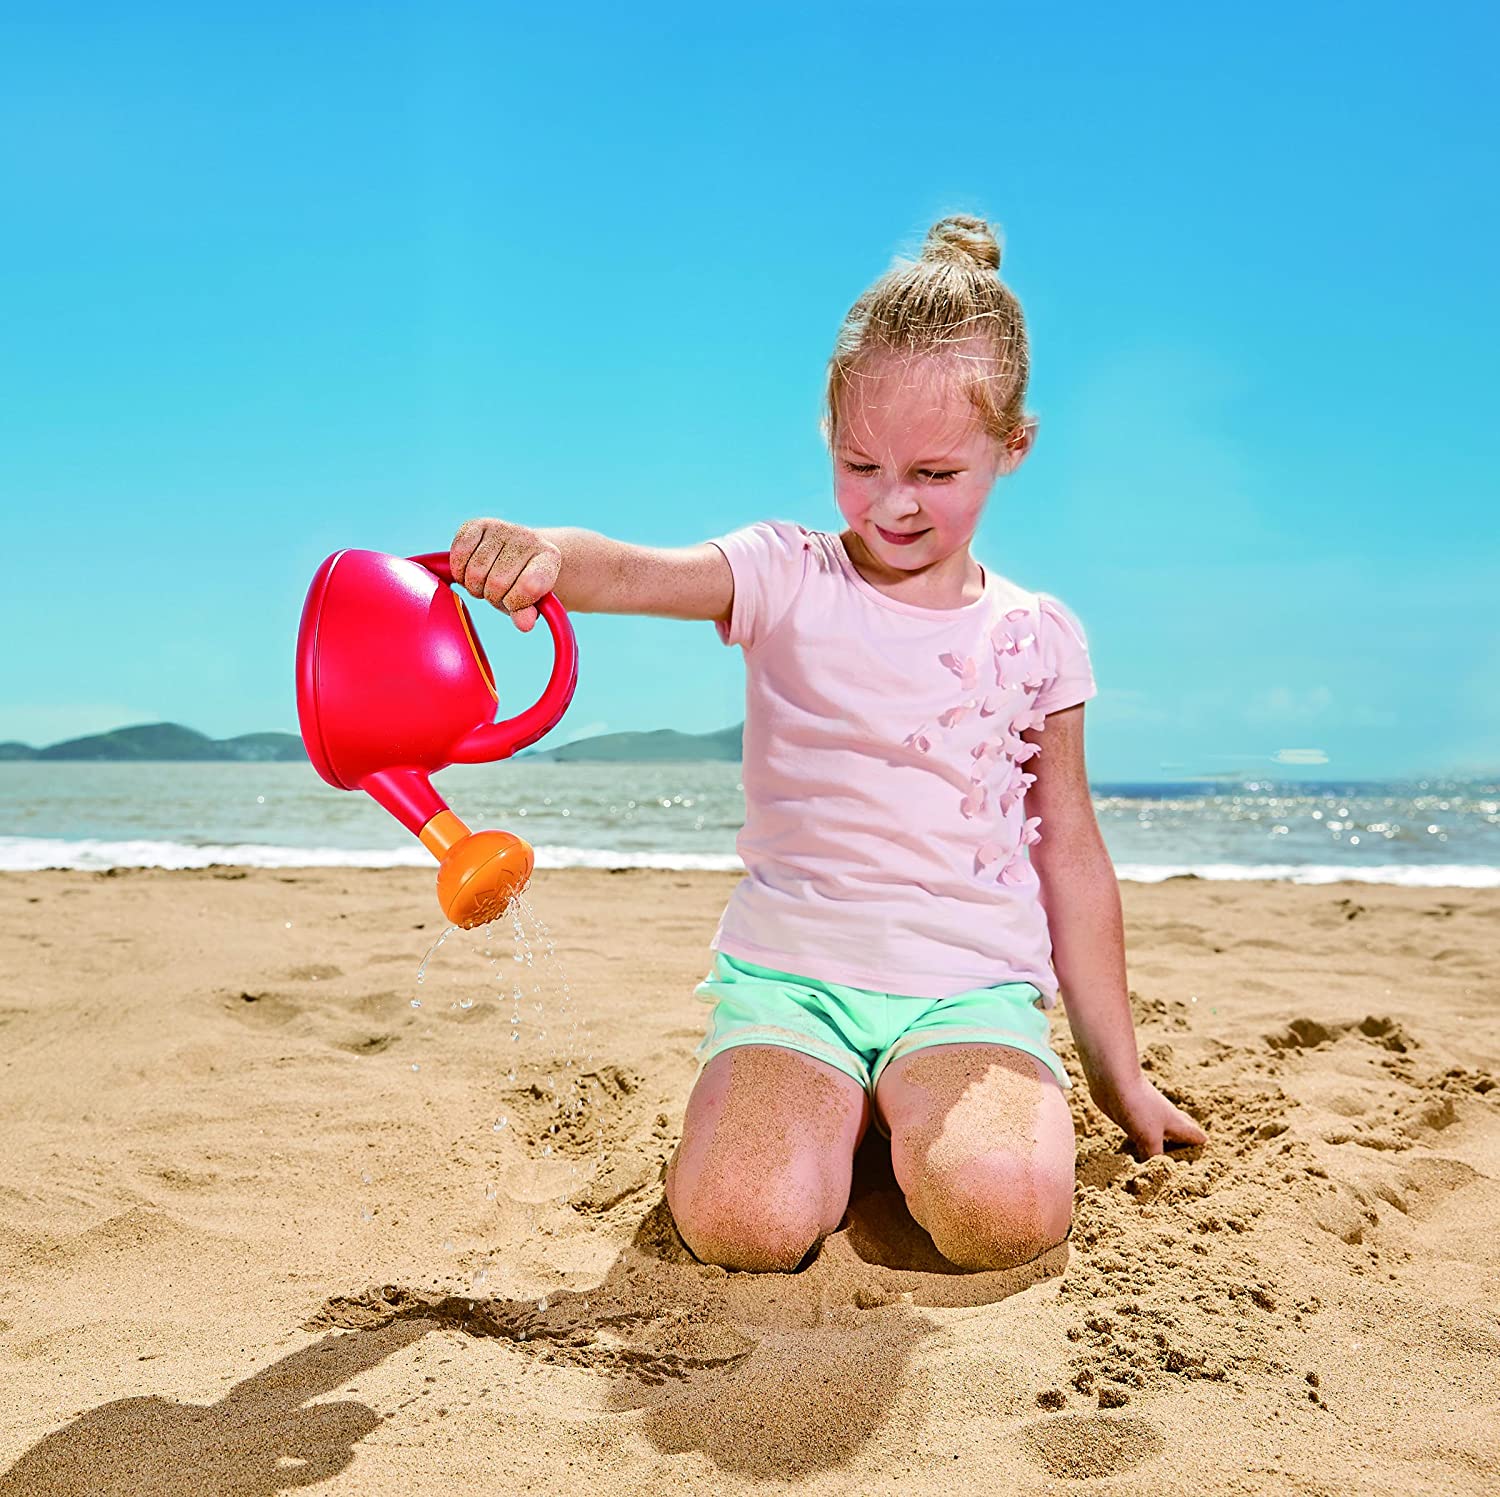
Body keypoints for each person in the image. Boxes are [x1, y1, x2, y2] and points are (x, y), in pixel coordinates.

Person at [448, 213, 1205, 1275]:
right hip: (791, 984)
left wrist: (1121, 1080)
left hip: (967, 989)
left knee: (1003, 1217)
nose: (893, 503)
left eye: (936, 473)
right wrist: (541, 553)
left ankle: (907, 1117)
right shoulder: (786, 574)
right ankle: (823, 1112)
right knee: (742, 1224)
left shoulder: (1037, 635)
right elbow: (630, 570)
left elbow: (1070, 853)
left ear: (1012, 447)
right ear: (829, 435)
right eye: (861, 463)